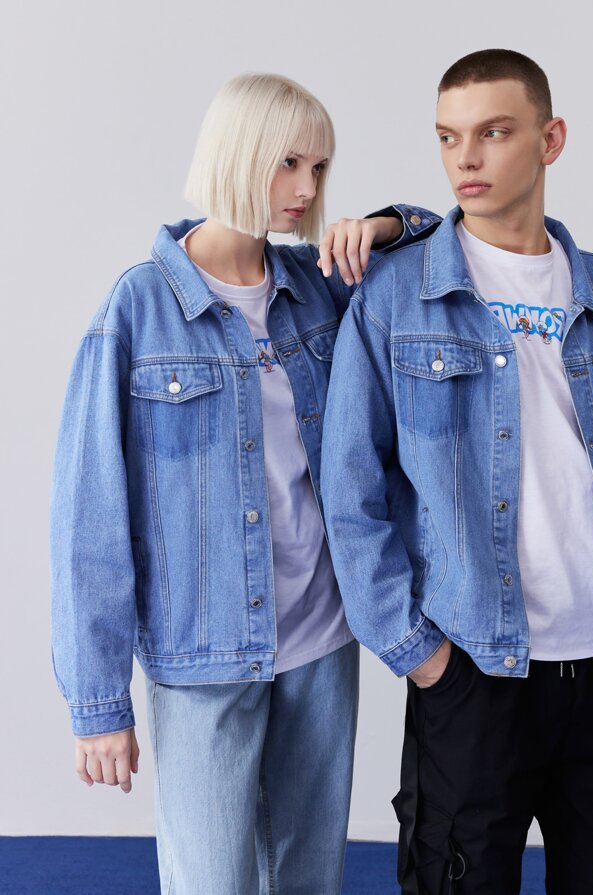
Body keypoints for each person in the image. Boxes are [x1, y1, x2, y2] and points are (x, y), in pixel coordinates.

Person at [49, 72, 430, 895]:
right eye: (287, 162)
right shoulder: (139, 310)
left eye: (320, 168)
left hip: (322, 641)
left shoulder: (318, 287)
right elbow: (89, 520)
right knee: (212, 882)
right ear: (235, 154)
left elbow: (438, 244)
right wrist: (98, 703)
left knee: (307, 879)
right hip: (204, 652)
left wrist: (381, 224)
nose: (307, 188)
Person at [321, 49, 593, 895]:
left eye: (493, 133)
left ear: (550, 140)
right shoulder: (397, 293)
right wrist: (418, 653)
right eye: (448, 137)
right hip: (473, 668)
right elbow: (350, 487)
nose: (466, 158)